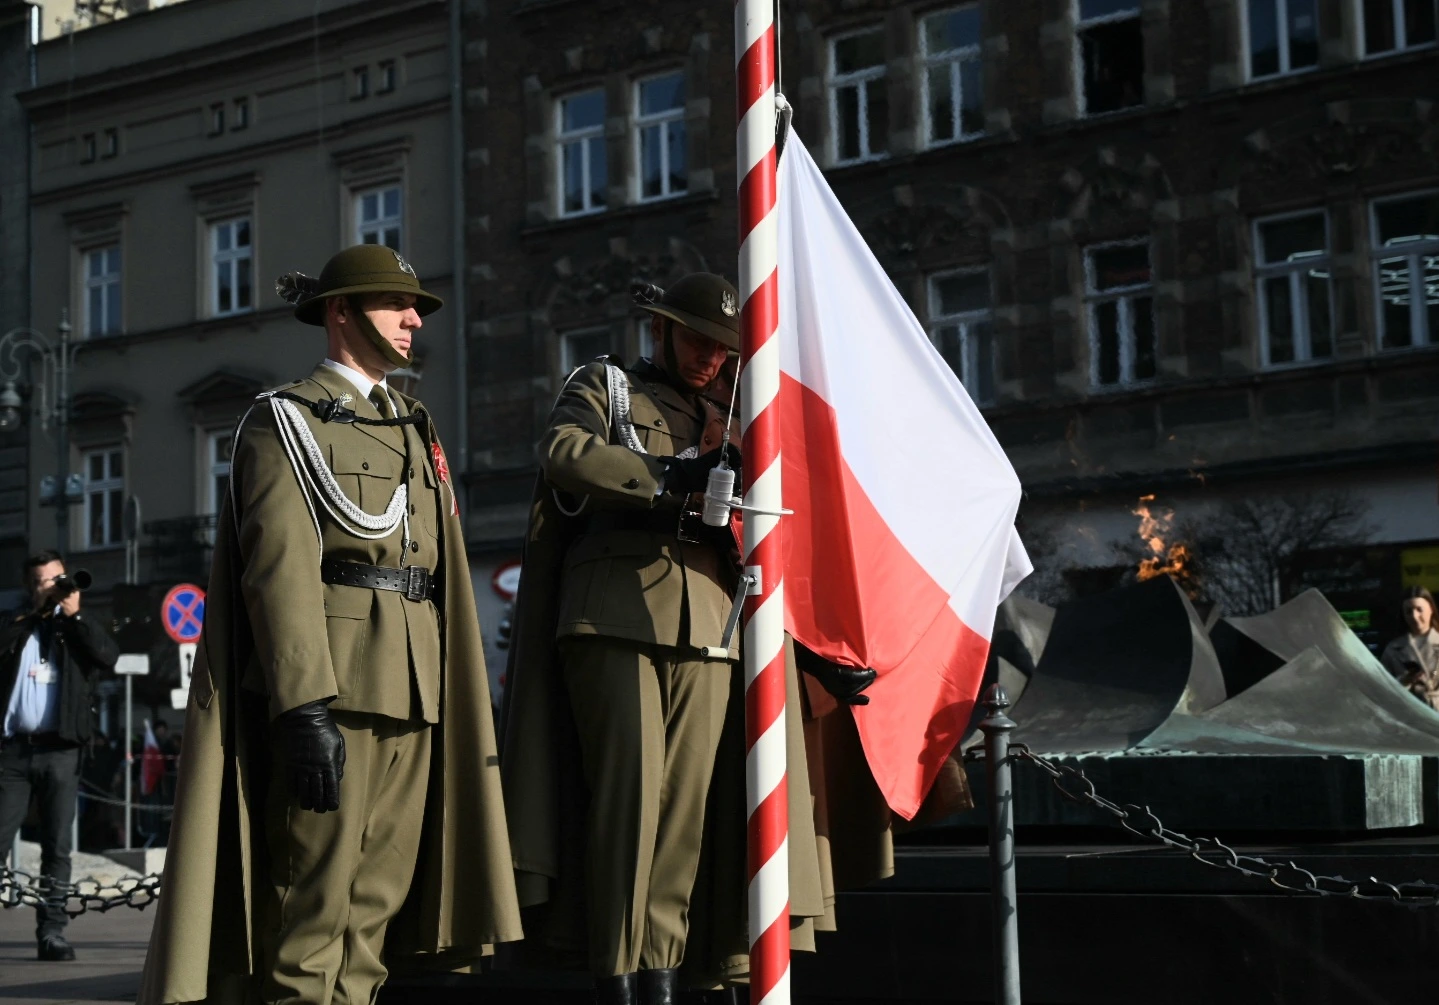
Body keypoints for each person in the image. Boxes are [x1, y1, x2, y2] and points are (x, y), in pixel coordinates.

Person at [139, 245, 522, 1005]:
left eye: (415, 307)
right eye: (394, 304)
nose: (414, 319)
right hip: (335, 689)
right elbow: (278, 570)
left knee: (371, 916)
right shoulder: (283, 420)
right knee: (310, 912)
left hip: (415, 691)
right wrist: (303, 704)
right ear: (340, 311)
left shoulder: (412, 422)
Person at [501, 274, 882, 1005]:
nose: (710, 356)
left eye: (723, 345)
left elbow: (763, 538)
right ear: (663, 330)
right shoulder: (606, 385)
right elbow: (564, 451)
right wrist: (672, 473)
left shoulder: (740, 413)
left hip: (712, 618)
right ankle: (616, 975)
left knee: (685, 817)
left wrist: (808, 649)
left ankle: (664, 980)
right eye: (698, 338)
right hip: (612, 612)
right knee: (629, 800)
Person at [0, 549, 120, 961]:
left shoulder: (76, 628)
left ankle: (51, 932)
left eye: (57, 579)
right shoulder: (16, 624)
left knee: (57, 848)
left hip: (62, 752)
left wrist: (75, 616)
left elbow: (107, 656)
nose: (52, 587)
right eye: (42, 582)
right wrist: (36, 613)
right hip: (13, 752)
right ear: (30, 586)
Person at [1380, 586, 1439, 710]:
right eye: (1408, 611)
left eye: (1419, 609)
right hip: (1410, 717)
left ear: (1431, 609)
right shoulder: (1393, 650)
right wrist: (1403, 681)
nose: (1414, 616)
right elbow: (1382, 690)